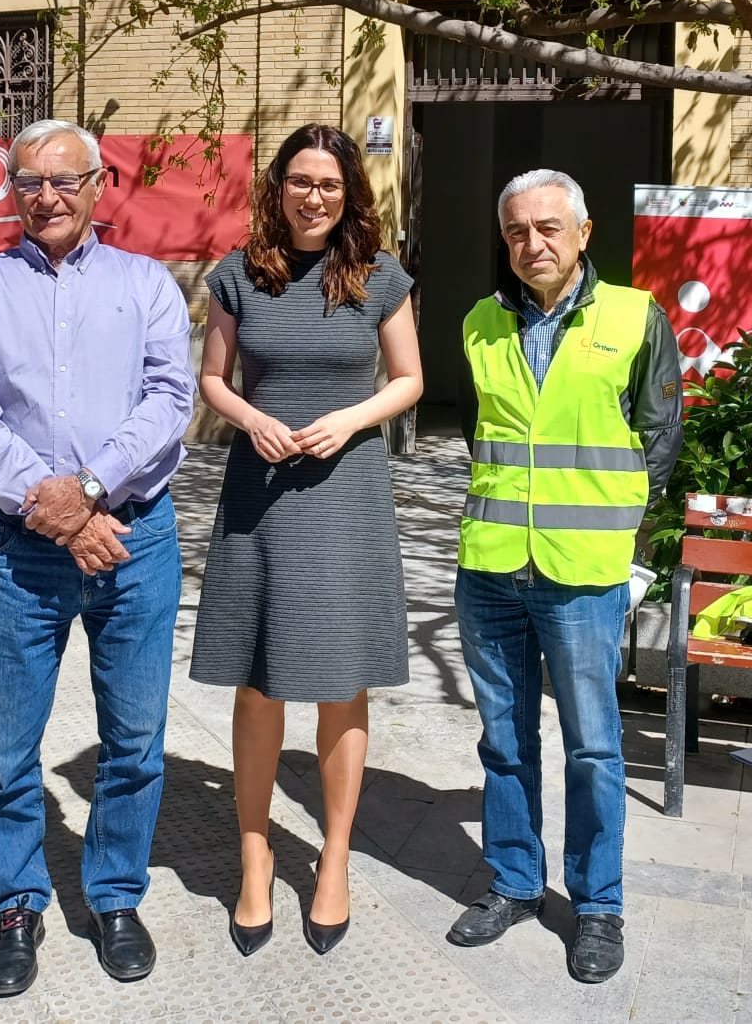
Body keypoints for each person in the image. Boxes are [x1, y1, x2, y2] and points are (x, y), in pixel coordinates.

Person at [0, 118, 195, 996]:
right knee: (5, 748)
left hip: (135, 539)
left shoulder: (148, 285)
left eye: (64, 179)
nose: (46, 196)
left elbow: (170, 401)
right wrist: (53, 508)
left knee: (134, 739)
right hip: (18, 548)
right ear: (9, 192)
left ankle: (115, 895)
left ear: (99, 185)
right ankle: (16, 904)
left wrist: (87, 488)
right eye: (28, 182)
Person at [191, 124, 422, 958]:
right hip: (262, 490)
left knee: (340, 681)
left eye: (329, 183)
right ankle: (254, 857)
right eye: (300, 180)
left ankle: (332, 859)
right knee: (258, 682)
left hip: (346, 491)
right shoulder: (239, 275)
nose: (314, 195)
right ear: (278, 187)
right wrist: (252, 419)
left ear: (349, 191)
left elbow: (409, 380)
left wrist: (350, 421)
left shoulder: (380, 277)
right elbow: (213, 378)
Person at [446, 169, 682, 985]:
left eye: (548, 228)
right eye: (516, 231)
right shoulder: (479, 322)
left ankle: (598, 904)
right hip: (492, 568)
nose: (531, 243)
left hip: (585, 574)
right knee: (504, 741)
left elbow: (659, 441)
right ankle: (513, 881)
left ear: (584, 234)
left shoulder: (635, 317)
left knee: (593, 746)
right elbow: (484, 437)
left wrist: (633, 552)